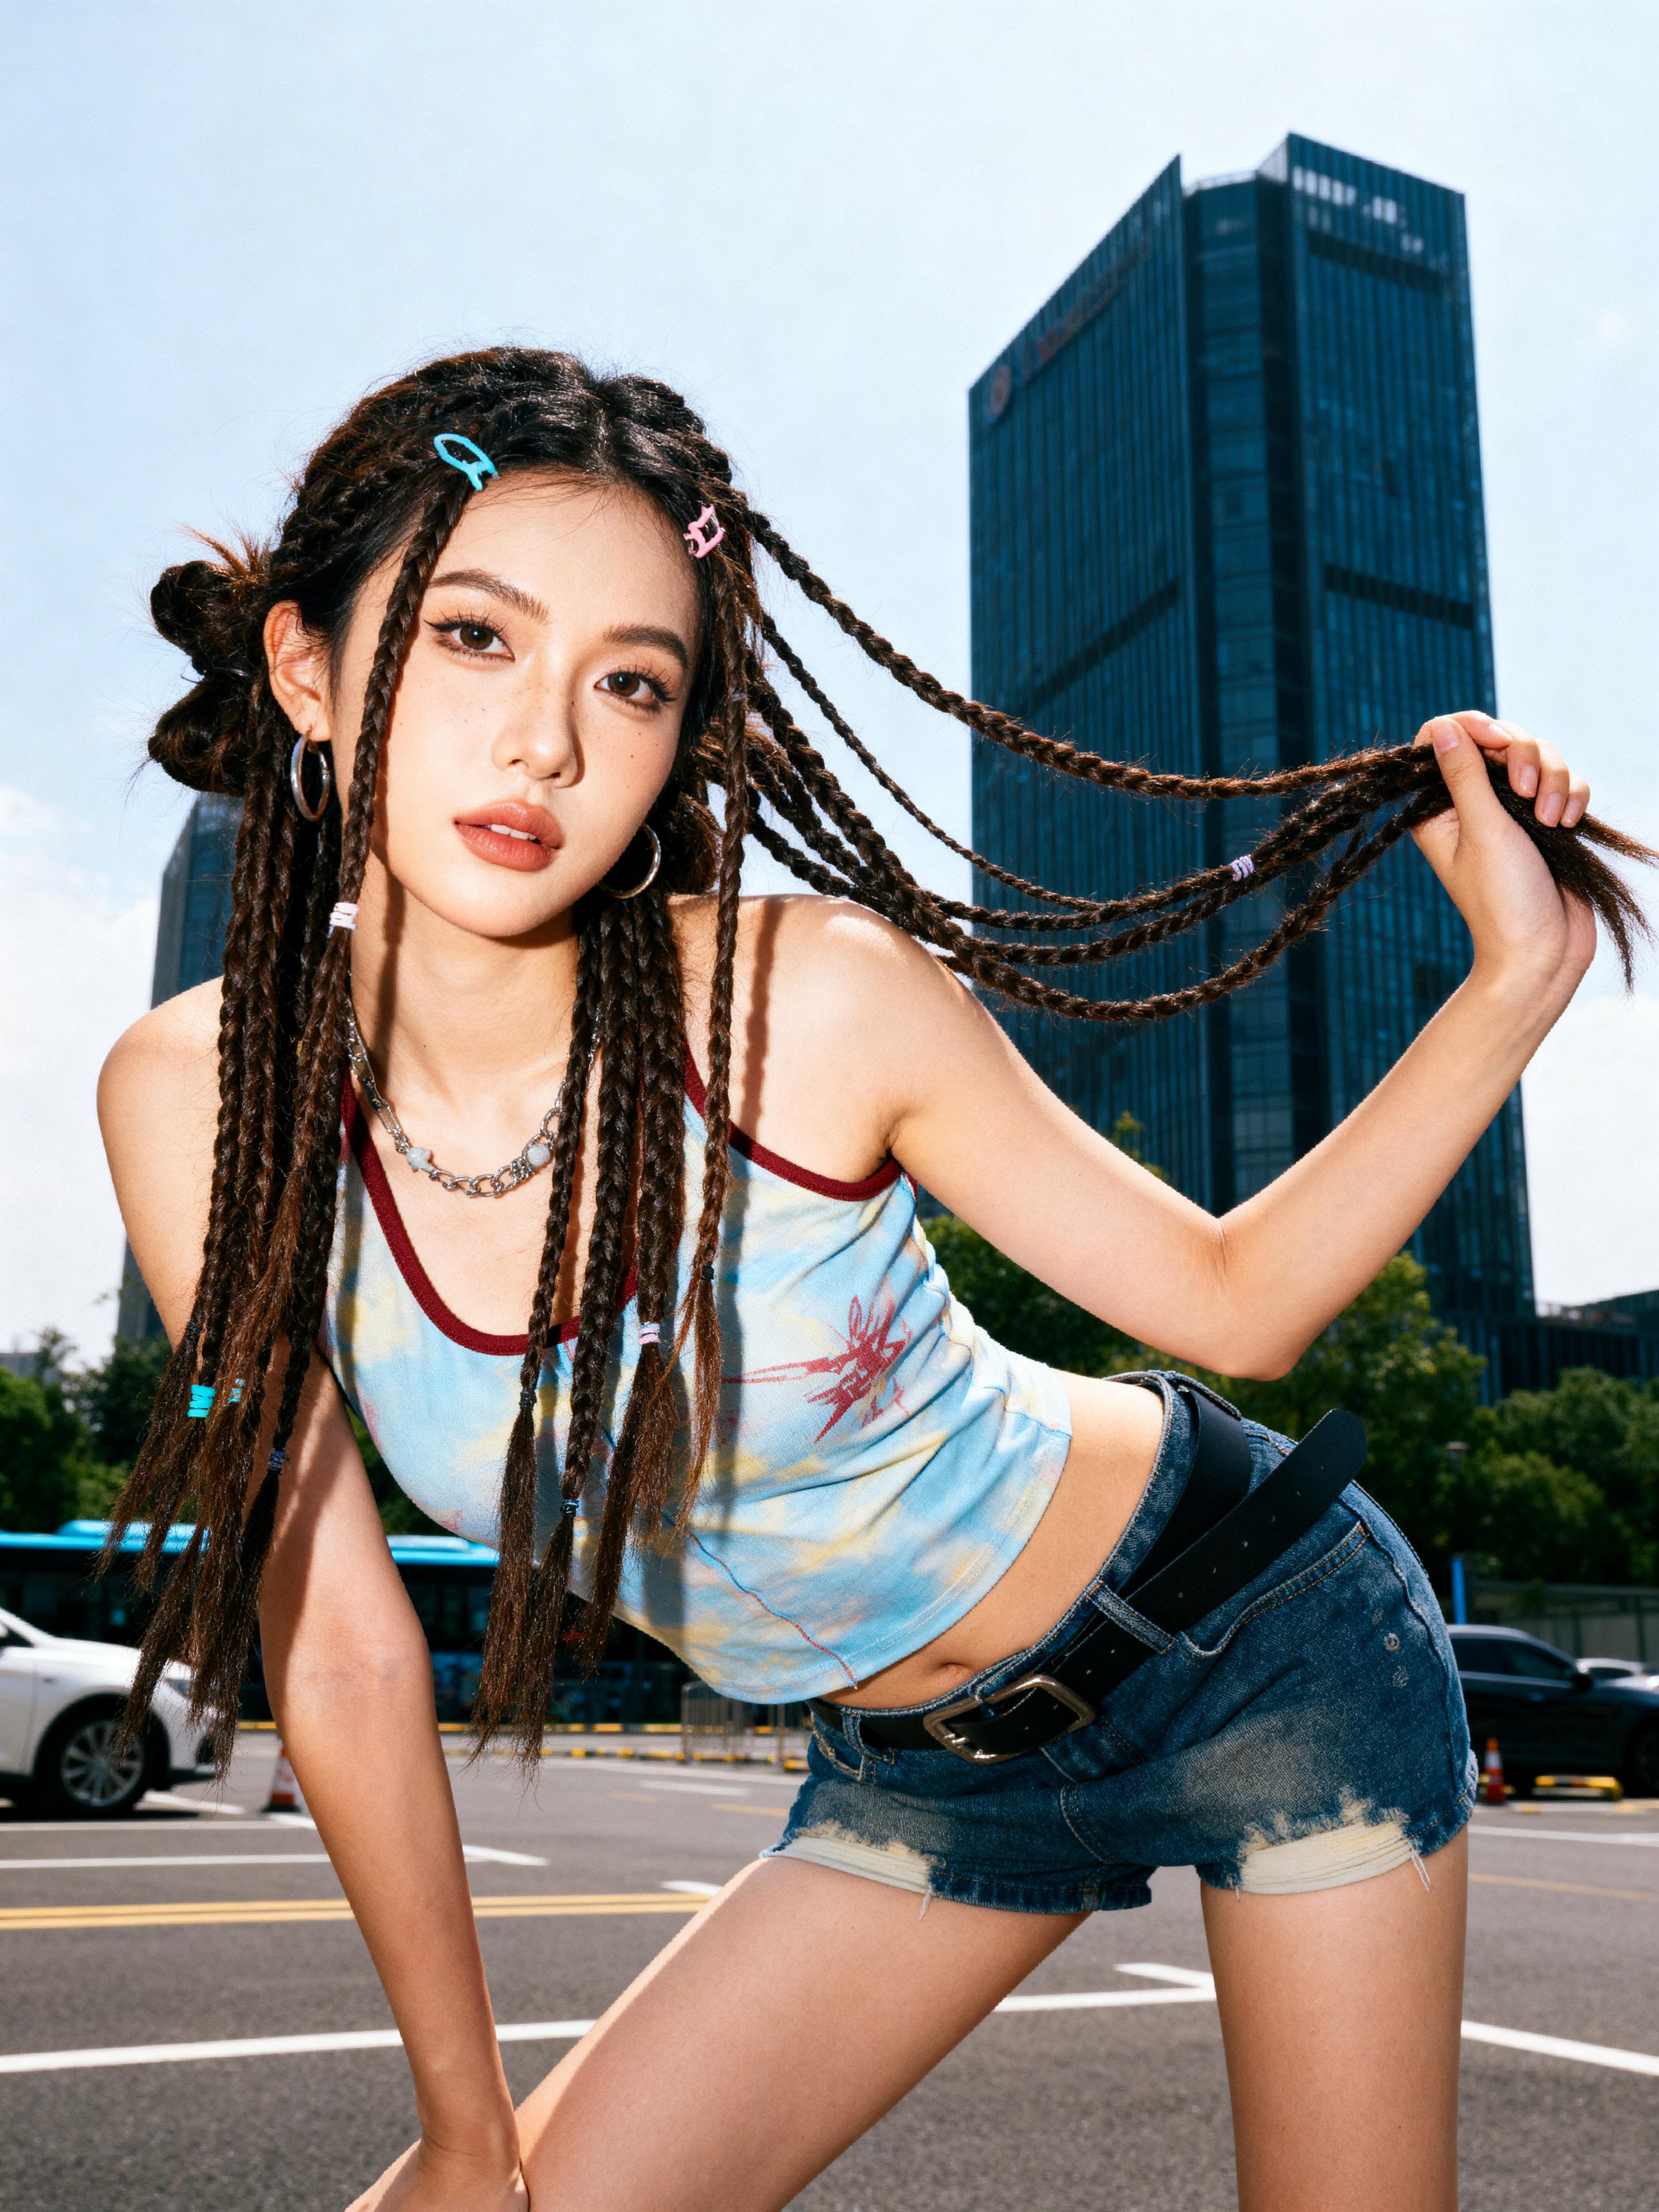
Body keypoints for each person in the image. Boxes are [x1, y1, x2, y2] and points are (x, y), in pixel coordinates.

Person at [100, 348, 1648, 2212]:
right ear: (310, 667)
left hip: (1261, 1637)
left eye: (633, 683)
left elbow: (1237, 1301)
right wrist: (460, 2126)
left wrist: (1513, 986)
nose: (546, 748)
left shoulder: (801, 998)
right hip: (926, 1772)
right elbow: (339, 1645)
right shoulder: (198, 1101)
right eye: (473, 640)